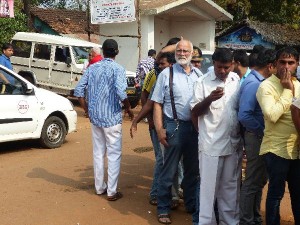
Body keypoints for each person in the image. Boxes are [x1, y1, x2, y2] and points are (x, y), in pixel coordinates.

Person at [74, 39, 133, 201]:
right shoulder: (118, 69)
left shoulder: (92, 68)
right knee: (114, 154)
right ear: (117, 52)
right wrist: (129, 108)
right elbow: (121, 92)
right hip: (112, 118)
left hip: (96, 118)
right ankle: (112, 191)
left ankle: (100, 188)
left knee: (98, 153)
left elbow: (78, 91)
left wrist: (87, 110)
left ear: (103, 51)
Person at [191, 48, 242, 225]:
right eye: (219, 67)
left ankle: (230, 222)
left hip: (233, 144)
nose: (222, 71)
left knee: (230, 190)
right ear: (213, 63)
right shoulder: (202, 83)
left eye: (226, 67)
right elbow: (195, 112)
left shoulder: (236, 80)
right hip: (211, 145)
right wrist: (209, 99)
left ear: (233, 64)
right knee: (208, 191)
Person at [151, 39, 200, 224]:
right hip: (174, 126)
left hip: (194, 128)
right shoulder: (166, 74)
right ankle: (163, 208)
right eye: (179, 50)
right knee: (169, 170)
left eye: (185, 50)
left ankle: (190, 203)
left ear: (192, 52)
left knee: (192, 170)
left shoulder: (198, 74)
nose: (182, 53)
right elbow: (157, 103)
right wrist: (159, 128)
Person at [256, 47, 300, 225]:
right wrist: (288, 90)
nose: (286, 67)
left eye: (291, 63)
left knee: (297, 194)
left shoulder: (299, 85)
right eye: (282, 62)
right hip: (276, 149)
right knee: (275, 193)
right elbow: (272, 115)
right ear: (274, 64)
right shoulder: (265, 86)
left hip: (296, 150)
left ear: (297, 65)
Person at [130, 52, 176, 206]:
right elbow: (147, 99)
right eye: (159, 64)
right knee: (161, 160)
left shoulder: (182, 77)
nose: (159, 66)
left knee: (175, 161)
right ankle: (156, 193)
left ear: (171, 63)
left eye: (162, 64)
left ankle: (175, 193)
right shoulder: (155, 76)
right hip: (158, 126)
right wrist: (145, 119)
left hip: (173, 126)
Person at [238, 49, 277, 225]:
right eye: (277, 65)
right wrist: (263, 130)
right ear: (270, 66)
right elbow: (244, 115)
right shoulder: (255, 84)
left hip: (258, 136)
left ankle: (254, 216)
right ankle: (246, 219)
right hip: (256, 137)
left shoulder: (258, 81)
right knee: (253, 180)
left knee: (259, 179)